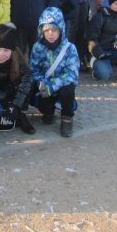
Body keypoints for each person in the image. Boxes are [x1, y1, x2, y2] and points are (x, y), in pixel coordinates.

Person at [29, 7, 80, 137]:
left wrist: (53, 86)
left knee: (68, 90)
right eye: (47, 30)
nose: (51, 33)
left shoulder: (70, 48)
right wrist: (43, 83)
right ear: (42, 30)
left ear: (61, 30)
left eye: (54, 30)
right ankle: (48, 111)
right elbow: (34, 70)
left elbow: (72, 75)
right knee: (44, 107)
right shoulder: (37, 47)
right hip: (46, 85)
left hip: (61, 85)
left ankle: (67, 118)